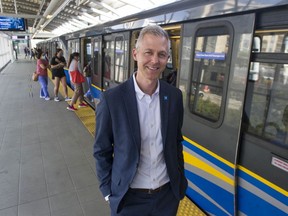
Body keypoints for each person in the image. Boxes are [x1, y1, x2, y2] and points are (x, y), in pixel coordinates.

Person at [93, 25, 187, 216]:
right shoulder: (112, 99)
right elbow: (101, 149)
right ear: (135, 54)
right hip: (128, 199)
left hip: (167, 197)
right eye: (148, 53)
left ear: (167, 58)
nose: (154, 60)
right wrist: (107, 191)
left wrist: (180, 182)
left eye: (161, 54)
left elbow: (176, 143)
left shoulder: (174, 96)